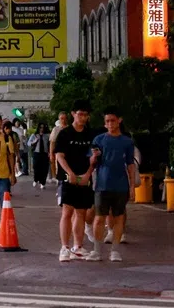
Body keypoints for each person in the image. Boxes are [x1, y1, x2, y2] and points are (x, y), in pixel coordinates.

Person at [86, 107, 137, 262]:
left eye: (112, 120)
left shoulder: (127, 142)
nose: (110, 124)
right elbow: (92, 162)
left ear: (119, 120)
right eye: (107, 121)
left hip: (120, 185)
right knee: (100, 217)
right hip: (102, 184)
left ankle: (114, 250)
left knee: (119, 217)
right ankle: (96, 250)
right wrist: (93, 158)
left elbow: (130, 164)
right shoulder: (99, 140)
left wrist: (132, 185)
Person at [55, 100, 96, 262]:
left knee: (81, 212)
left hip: (85, 178)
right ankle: (64, 247)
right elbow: (59, 156)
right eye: (80, 114)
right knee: (67, 211)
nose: (83, 118)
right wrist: (70, 173)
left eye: (86, 115)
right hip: (67, 178)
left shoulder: (90, 135)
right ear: (73, 114)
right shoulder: (65, 134)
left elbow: (94, 158)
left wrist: (87, 174)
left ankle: (77, 246)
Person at [27, 123, 50, 189]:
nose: (42, 129)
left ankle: (43, 183)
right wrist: (34, 142)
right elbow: (29, 143)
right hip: (36, 153)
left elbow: (50, 144)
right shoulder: (34, 135)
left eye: (43, 127)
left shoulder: (47, 135)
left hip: (45, 154)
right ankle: (36, 179)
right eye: (40, 127)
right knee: (36, 167)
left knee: (44, 169)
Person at [49, 111, 69, 182]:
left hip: (68, 153)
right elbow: (52, 142)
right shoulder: (56, 129)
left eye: (64, 118)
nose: (63, 120)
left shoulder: (70, 129)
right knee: (59, 169)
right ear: (59, 119)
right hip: (59, 153)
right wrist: (51, 154)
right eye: (61, 118)